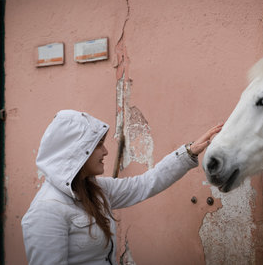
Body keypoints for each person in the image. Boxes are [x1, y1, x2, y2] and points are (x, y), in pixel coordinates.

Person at [21, 109, 222, 265]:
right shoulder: (46, 211)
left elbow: (145, 184)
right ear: (78, 152)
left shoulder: (95, 191)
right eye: (99, 145)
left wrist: (189, 152)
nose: (106, 151)